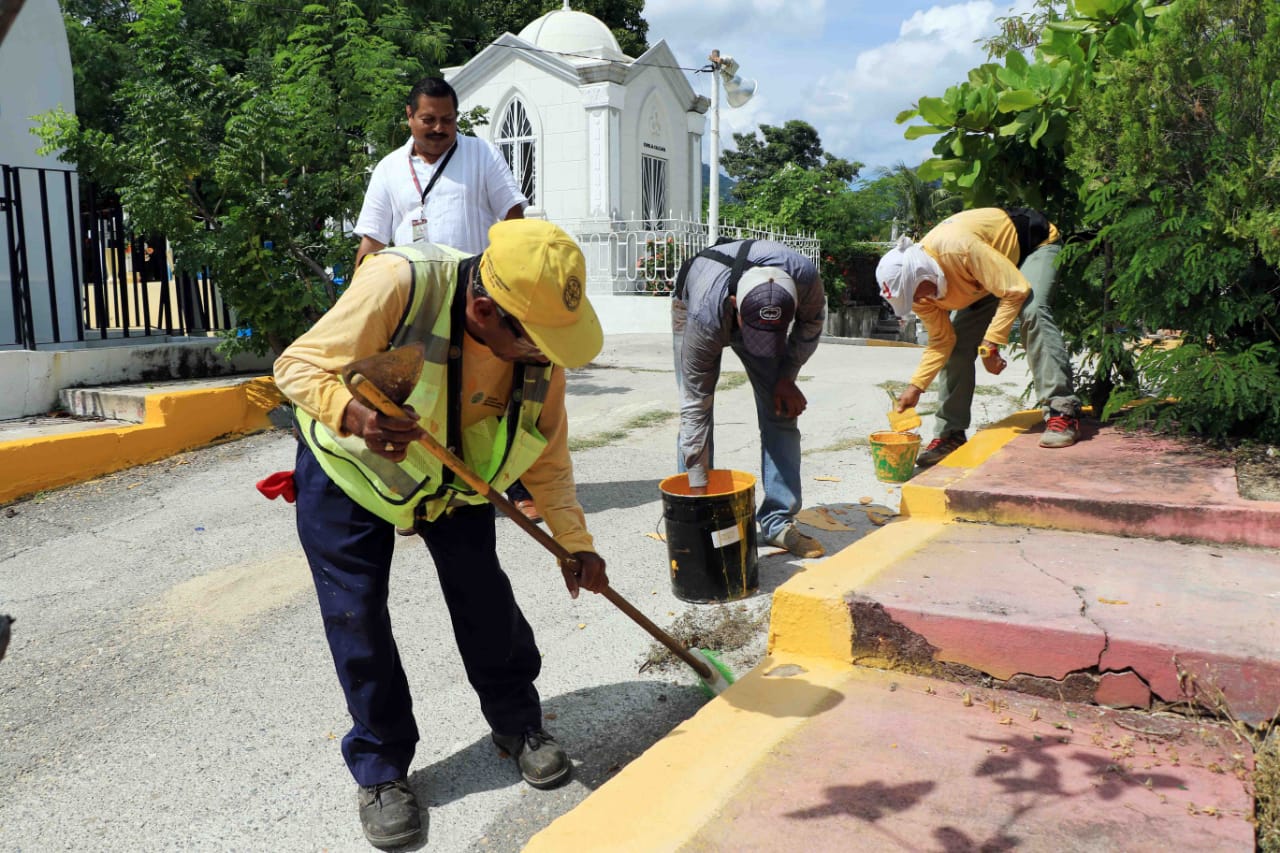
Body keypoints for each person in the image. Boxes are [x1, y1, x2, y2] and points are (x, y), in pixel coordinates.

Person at [274, 219, 608, 850]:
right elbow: (297, 366)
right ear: (484, 309)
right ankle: (382, 768)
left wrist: (576, 543)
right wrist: (356, 415)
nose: (549, 355)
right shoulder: (401, 283)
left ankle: (518, 723)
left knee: (484, 595)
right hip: (351, 470)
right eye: (540, 342)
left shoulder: (538, 350)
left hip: (454, 484)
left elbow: (549, 458)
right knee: (358, 617)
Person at [353, 75, 542, 522]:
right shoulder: (388, 169)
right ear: (409, 117)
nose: (438, 128)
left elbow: (513, 219)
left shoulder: (481, 155)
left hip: (476, 302)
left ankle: (515, 485)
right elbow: (372, 244)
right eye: (428, 119)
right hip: (412, 305)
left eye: (448, 120)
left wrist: (509, 288)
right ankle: (416, 496)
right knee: (418, 400)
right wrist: (357, 302)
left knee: (492, 396)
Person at [876, 207, 1082, 468]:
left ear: (921, 274)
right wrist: (916, 387)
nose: (917, 301)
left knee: (1033, 311)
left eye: (914, 294)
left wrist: (990, 344)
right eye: (910, 300)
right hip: (987, 274)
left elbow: (1015, 289)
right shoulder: (921, 295)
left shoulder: (957, 249)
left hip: (1033, 246)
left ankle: (1062, 410)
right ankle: (950, 434)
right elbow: (942, 341)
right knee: (958, 344)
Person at [672, 239, 827, 559]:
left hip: (742, 300)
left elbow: (812, 322)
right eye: (756, 335)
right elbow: (694, 410)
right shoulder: (705, 315)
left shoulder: (806, 279)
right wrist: (700, 494)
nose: (761, 347)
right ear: (734, 306)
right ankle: (694, 513)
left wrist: (787, 375)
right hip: (694, 305)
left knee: (781, 410)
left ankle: (777, 522)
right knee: (698, 413)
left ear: (793, 304)